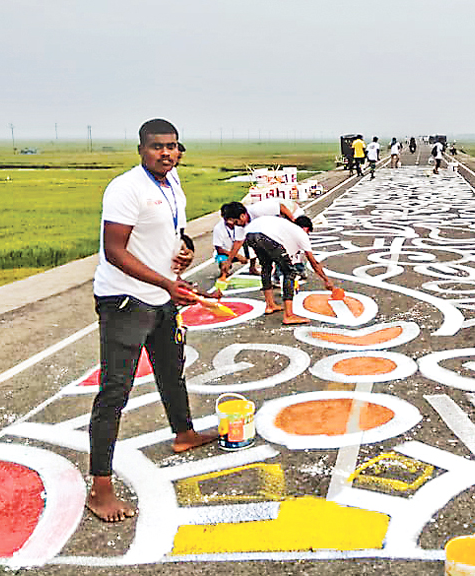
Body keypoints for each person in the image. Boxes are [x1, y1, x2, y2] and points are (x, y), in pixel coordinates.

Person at [89, 118, 217, 522]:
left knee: (171, 369)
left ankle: (184, 433)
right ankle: (100, 488)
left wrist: (185, 252)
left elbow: (177, 232)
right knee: (114, 391)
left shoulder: (172, 183)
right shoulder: (127, 189)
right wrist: (165, 280)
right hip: (125, 302)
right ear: (141, 149)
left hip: (162, 298)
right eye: (158, 147)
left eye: (173, 146)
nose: (167, 153)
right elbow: (115, 251)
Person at [245, 215, 335, 325]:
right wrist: (326, 279)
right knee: (290, 272)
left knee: (266, 268)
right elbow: (313, 262)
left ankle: (270, 305)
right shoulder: (300, 233)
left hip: (250, 234)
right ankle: (289, 315)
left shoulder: (287, 228)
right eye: (308, 232)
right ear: (306, 228)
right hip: (265, 237)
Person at [219, 198, 304, 276]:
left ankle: (297, 269)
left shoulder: (258, 210)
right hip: (273, 223)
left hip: (291, 212)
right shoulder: (240, 224)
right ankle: (283, 272)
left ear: (242, 216)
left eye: (236, 222)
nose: (235, 225)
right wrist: (228, 261)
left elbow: (281, 207)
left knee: (286, 244)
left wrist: (294, 223)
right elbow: (238, 242)